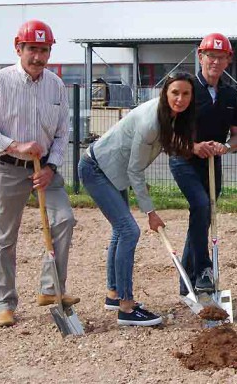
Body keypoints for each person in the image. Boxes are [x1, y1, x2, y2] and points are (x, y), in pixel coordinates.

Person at [0, 19, 78, 327]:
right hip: (8, 168)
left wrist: (51, 167)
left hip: (45, 170)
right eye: (32, 49)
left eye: (44, 50)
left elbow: (61, 134)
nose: (38, 57)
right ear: (18, 48)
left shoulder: (56, 85)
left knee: (65, 219)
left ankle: (51, 289)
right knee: (6, 236)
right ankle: (4, 302)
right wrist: (15, 145)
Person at [78, 72, 196, 326]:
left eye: (186, 93)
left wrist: (196, 147)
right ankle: (127, 307)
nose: (180, 98)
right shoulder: (151, 122)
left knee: (121, 232)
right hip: (97, 168)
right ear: (165, 92)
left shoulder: (171, 116)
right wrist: (150, 212)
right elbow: (135, 170)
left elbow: (171, 142)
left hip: (112, 170)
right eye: (175, 92)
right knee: (129, 230)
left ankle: (114, 294)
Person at [169, 33, 237, 295]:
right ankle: (204, 268)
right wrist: (194, 147)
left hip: (212, 164)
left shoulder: (230, 94)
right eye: (210, 55)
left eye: (221, 57)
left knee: (202, 217)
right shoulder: (186, 88)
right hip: (184, 160)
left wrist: (227, 146)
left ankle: (186, 283)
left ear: (227, 61)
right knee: (201, 206)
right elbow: (170, 133)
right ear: (200, 57)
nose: (215, 61)